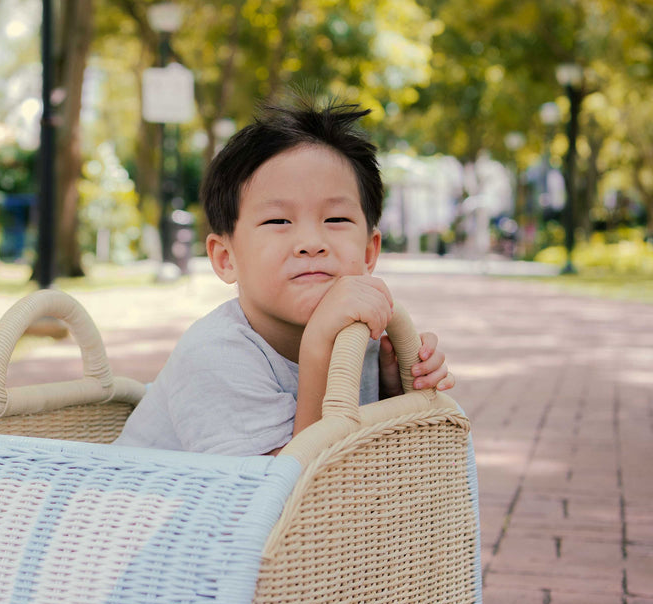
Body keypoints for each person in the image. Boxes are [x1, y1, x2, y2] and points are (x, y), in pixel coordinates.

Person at [116, 98, 455, 456]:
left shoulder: (360, 342)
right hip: (143, 508)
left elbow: (359, 461)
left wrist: (391, 388)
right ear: (225, 258)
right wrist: (318, 346)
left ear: (370, 252)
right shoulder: (214, 355)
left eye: (336, 220)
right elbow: (284, 500)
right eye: (278, 221)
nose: (311, 243)